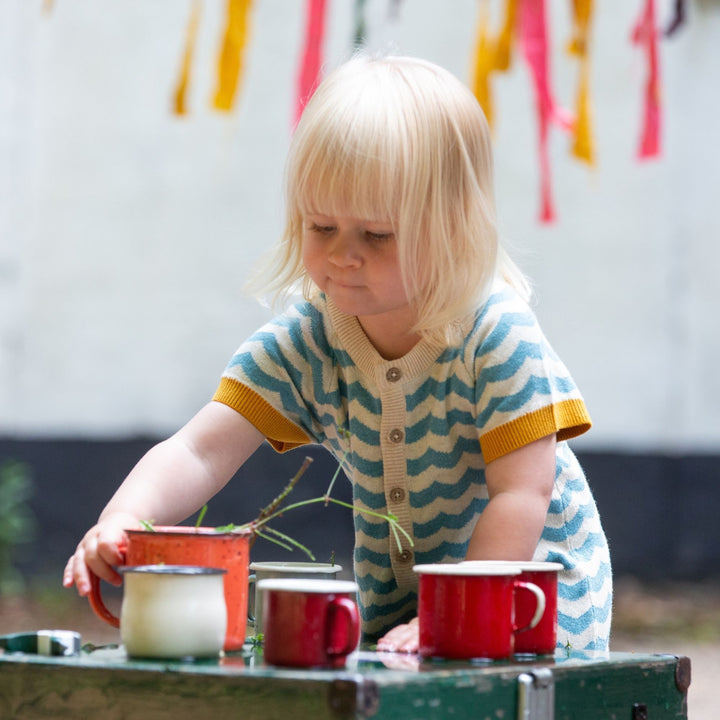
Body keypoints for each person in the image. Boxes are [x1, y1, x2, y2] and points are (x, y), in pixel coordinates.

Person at [64, 54, 612, 653]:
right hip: (404, 616)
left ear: (453, 228)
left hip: (531, 606)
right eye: (321, 227)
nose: (343, 255)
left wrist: (453, 615)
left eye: (377, 235)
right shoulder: (311, 339)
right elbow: (199, 450)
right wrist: (121, 522)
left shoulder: (495, 335)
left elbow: (521, 494)